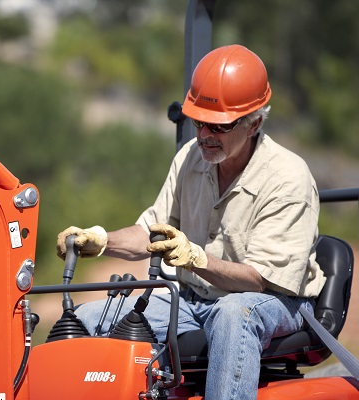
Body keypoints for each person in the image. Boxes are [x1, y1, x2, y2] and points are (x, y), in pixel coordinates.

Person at [56, 44, 325, 400]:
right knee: (91, 319)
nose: (204, 134)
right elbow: (152, 230)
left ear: (255, 123)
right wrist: (102, 240)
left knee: (234, 313)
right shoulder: (190, 158)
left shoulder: (288, 178)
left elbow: (261, 279)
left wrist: (197, 258)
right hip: (193, 297)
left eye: (219, 125)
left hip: (273, 302)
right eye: (198, 121)